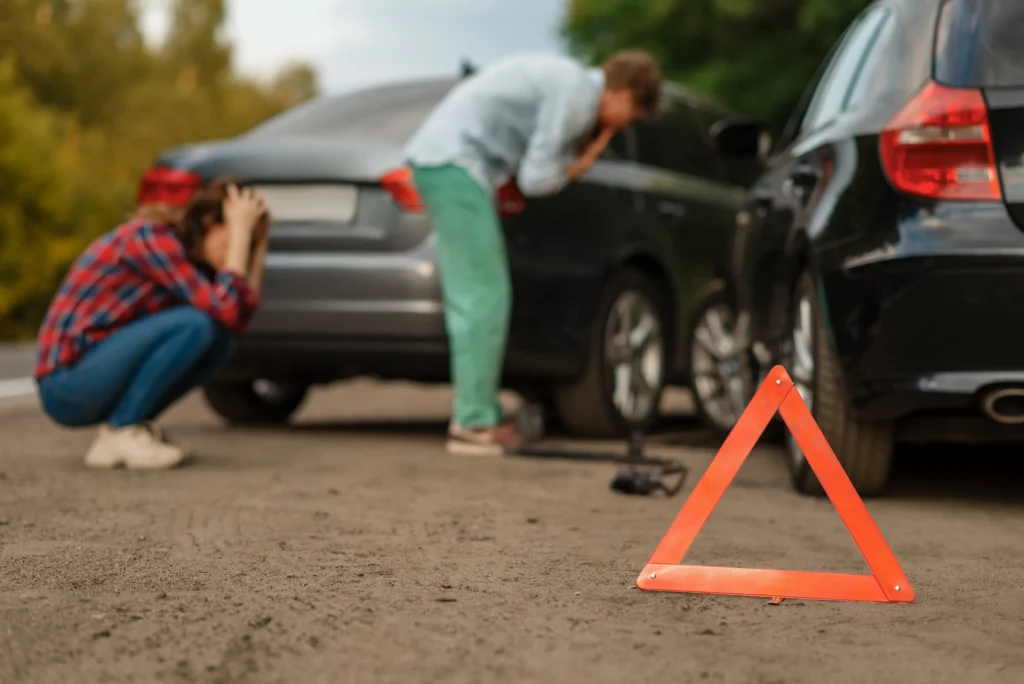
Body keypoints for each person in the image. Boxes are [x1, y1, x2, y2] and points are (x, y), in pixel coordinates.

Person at [404, 49, 663, 456]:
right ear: (625, 97)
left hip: (445, 161)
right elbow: (535, 178)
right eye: (627, 120)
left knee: (474, 293)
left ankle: (479, 411)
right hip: (455, 165)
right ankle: (473, 423)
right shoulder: (577, 95)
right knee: (483, 296)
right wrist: (579, 164)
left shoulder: (568, 80)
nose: (620, 126)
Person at [34, 178, 271, 470]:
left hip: (96, 375)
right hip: (65, 384)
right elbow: (226, 309)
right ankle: (122, 429)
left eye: (245, 245)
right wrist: (241, 234)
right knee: (196, 324)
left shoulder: (194, 265)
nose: (238, 253)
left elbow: (238, 320)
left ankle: (126, 428)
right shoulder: (154, 239)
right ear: (209, 222)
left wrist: (258, 248)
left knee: (221, 339)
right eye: (234, 238)